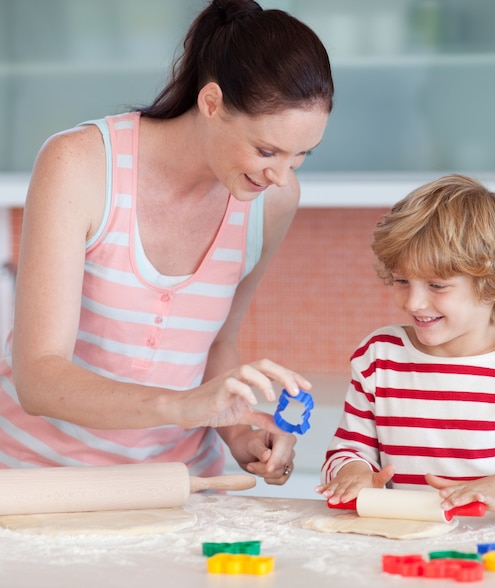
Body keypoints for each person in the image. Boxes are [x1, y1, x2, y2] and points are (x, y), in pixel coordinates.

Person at [0, 0, 333, 486]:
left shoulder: (272, 202)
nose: (281, 175)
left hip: (183, 487)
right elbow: (38, 377)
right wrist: (181, 406)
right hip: (43, 485)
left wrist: (241, 433)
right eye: (266, 150)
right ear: (212, 102)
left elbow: (218, 344)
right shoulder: (82, 166)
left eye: (301, 156)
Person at [317, 174, 495, 521]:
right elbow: (349, 450)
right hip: (404, 552)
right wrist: (351, 471)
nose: (414, 302)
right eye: (402, 281)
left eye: (437, 285)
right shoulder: (379, 357)